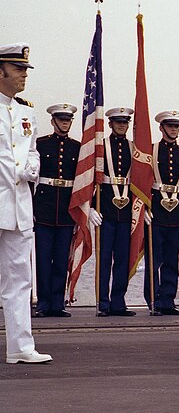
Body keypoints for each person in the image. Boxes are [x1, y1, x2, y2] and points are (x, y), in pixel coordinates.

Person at [0, 43, 52, 363]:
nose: (24, 75)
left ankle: (21, 347)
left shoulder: (26, 111)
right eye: (18, 69)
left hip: (19, 206)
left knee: (20, 280)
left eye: (25, 70)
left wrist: (32, 167)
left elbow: (31, 151)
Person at [33, 103, 79, 318]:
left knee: (61, 259)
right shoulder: (41, 144)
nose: (64, 123)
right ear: (53, 122)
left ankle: (58, 304)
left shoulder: (77, 148)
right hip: (44, 208)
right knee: (43, 259)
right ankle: (43, 303)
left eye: (67, 120)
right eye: (61, 119)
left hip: (66, 210)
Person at [144, 110, 179, 316]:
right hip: (155, 212)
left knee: (172, 259)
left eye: (176, 126)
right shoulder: (150, 151)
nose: (173, 129)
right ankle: (154, 301)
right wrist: (143, 208)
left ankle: (168, 301)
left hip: (177, 212)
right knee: (154, 259)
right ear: (161, 128)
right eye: (170, 126)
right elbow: (142, 181)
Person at [90, 107, 137, 317]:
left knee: (122, 259)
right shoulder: (100, 148)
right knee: (104, 258)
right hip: (105, 210)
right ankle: (103, 302)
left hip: (126, 212)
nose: (121, 125)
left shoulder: (133, 148)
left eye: (125, 122)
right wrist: (90, 207)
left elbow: (140, 181)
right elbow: (90, 178)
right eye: (118, 122)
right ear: (110, 124)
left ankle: (118, 302)